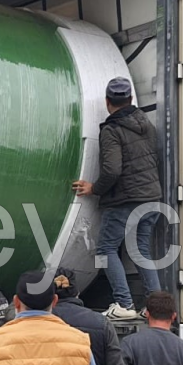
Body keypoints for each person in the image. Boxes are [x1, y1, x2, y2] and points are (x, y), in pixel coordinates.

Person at [72, 76, 162, 322]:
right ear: (131, 99)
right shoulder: (147, 124)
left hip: (125, 201)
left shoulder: (112, 130)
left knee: (106, 249)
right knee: (141, 251)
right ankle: (155, 307)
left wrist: (95, 188)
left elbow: (112, 170)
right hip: (152, 198)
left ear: (107, 101)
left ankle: (124, 303)